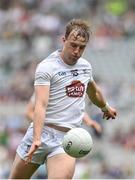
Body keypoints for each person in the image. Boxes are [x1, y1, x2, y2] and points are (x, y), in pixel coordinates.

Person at [9, 19, 117, 179]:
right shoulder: (47, 67)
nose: (77, 51)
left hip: (67, 139)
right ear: (63, 40)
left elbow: (94, 92)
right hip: (41, 133)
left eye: (82, 47)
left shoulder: (85, 67)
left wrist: (105, 107)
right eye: (73, 45)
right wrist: (37, 138)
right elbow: (41, 104)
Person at [26, 93, 102, 133]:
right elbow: (29, 112)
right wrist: (45, 125)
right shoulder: (43, 88)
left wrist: (90, 122)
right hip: (41, 135)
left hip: (62, 136)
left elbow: (76, 109)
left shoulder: (69, 90)